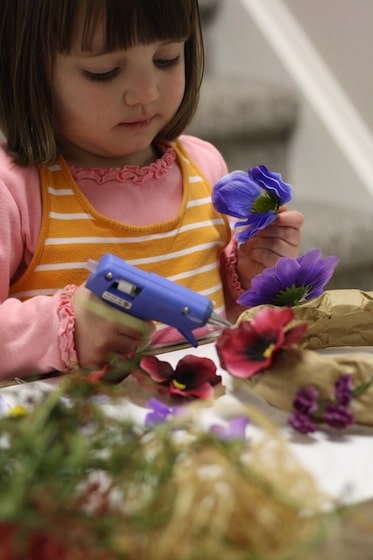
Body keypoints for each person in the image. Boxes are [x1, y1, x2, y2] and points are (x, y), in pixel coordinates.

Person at [0, 0, 303, 377]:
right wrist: (67, 328)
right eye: (104, 71)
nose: (145, 93)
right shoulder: (14, 190)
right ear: (28, 69)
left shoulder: (203, 168)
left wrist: (247, 273)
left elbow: (212, 318)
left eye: (166, 59)